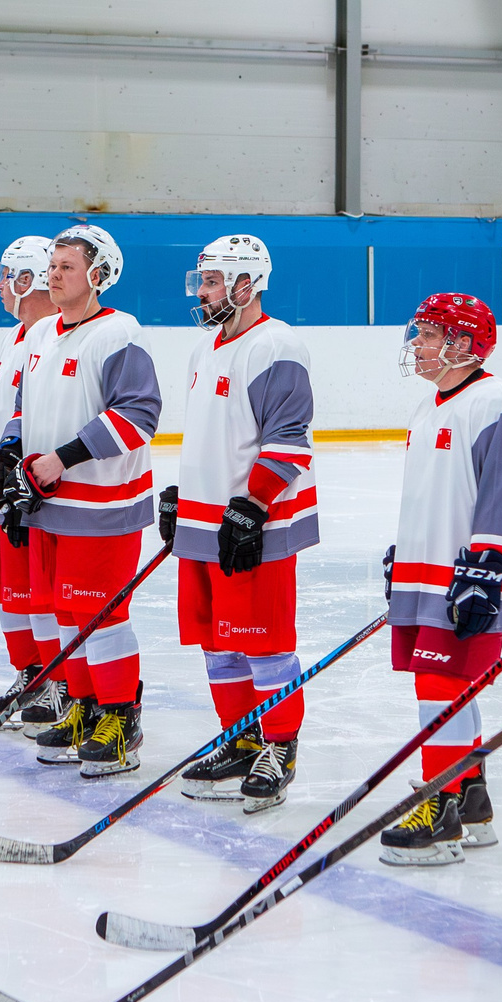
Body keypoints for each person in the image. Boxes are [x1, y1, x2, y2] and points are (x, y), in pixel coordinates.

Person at [377, 292, 502, 865]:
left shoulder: (499, 402)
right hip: (427, 574)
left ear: (462, 342)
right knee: (447, 686)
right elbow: (431, 494)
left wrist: (489, 565)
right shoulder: (427, 407)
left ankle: (439, 805)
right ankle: (470, 797)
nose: (413, 344)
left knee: (439, 687)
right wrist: (404, 553)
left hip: (466, 576)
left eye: (425, 334)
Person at [2, 224, 163, 778]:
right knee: (68, 613)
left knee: (101, 613)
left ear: (98, 276)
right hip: (47, 502)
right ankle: (87, 707)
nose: (53, 273)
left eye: (67, 266)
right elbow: (24, 408)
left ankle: (122, 719)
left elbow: (138, 415)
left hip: (103, 504)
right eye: (53, 264)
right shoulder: (42, 332)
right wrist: (7, 454)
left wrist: (64, 458)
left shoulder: (120, 333)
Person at [167, 234, 318, 812]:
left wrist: (254, 503)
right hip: (207, 522)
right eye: (201, 281)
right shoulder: (204, 349)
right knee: (217, 643)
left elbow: (289, 441)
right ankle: (240, 738)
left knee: (265, 645)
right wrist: (185, 494)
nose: (202, 292)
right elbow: (211, 433)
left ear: (245, 285)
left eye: (211, 281)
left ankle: (279, 744)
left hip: (258, 523)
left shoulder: (277, 346)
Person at [0, 236, 66, 732]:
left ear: (27, 280)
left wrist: (13, 467)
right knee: (13, 592)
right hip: (1, 484)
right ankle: (29, 674)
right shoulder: (17, 334)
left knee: (39, 594)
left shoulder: (52, 335)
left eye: (8, 276)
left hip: (29, 489)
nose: (1, 287)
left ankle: (55, 682)